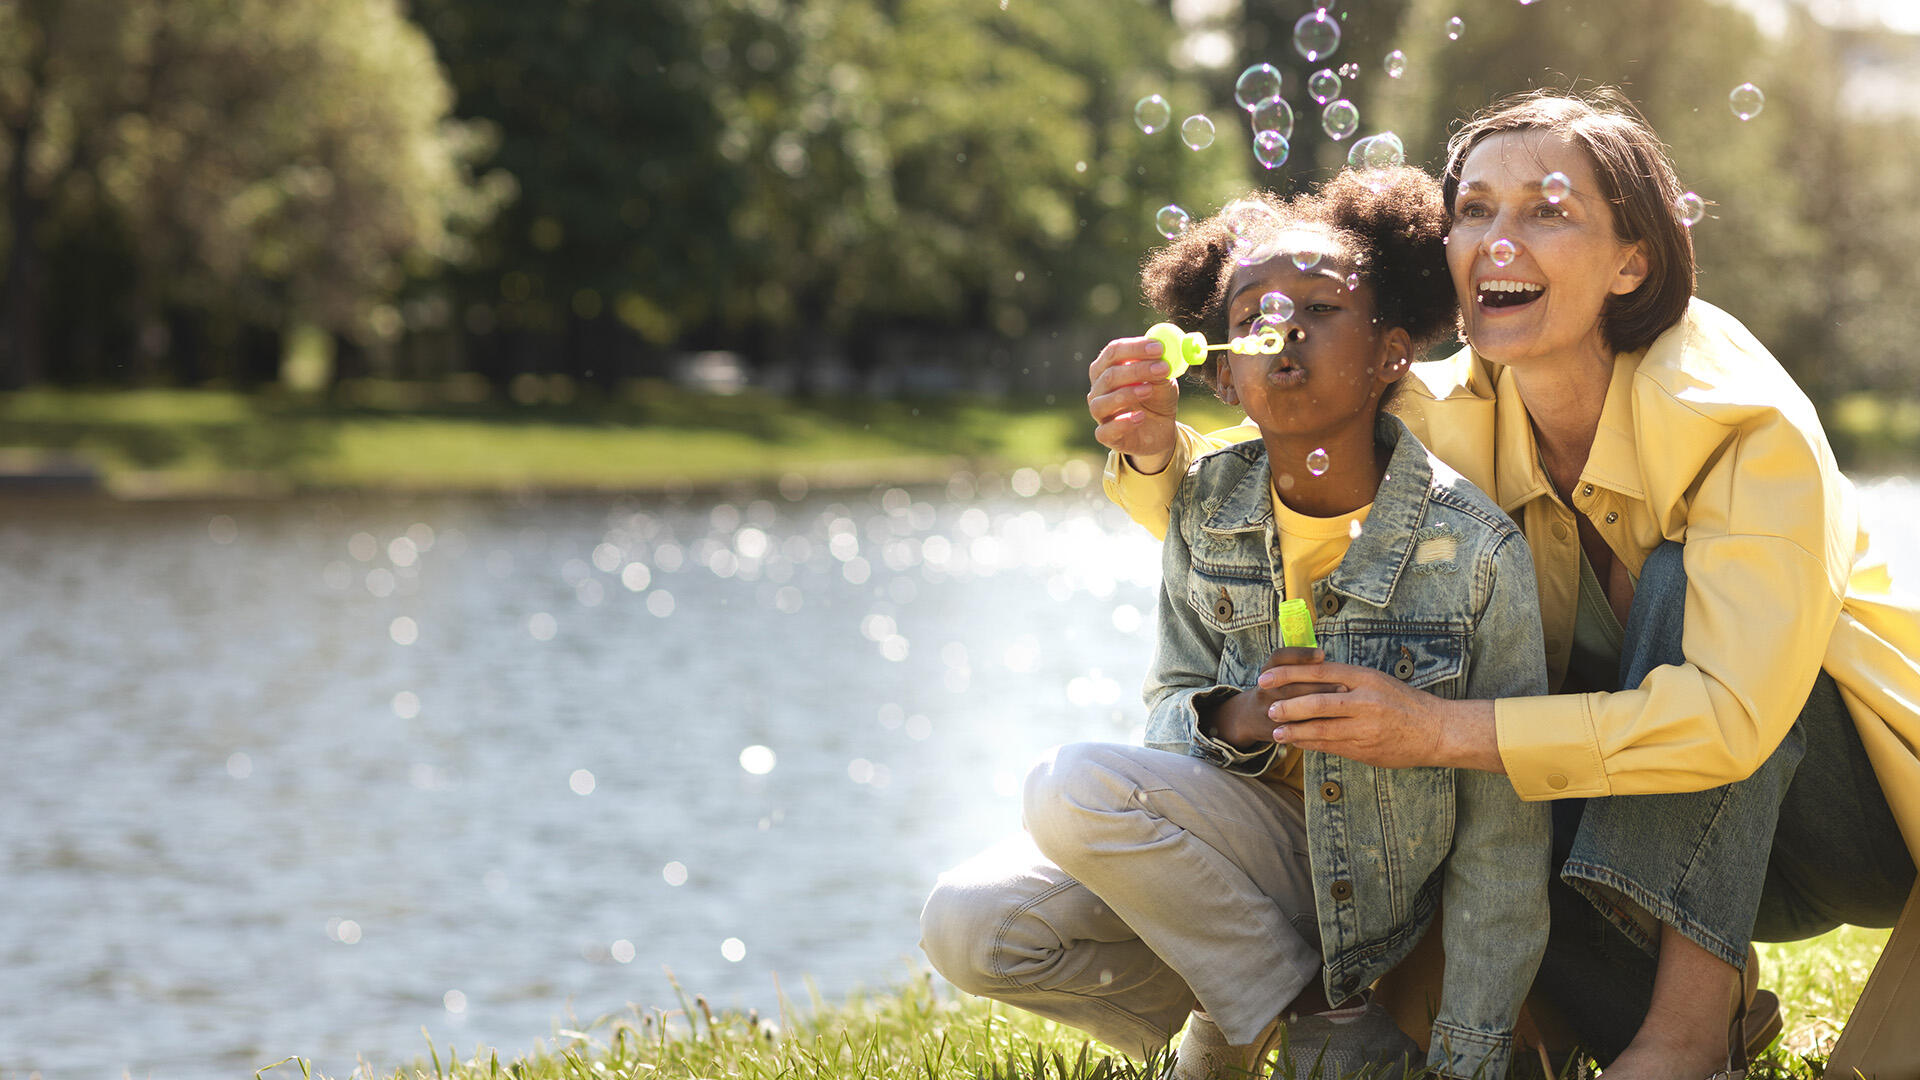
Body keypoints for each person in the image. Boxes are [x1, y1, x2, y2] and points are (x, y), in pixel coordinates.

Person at [1092, 88, 1920, 1080]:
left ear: (1634, 260)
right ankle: (1664, 1017)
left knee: (1676, 582)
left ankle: (1686, 1036)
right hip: (1667, 847)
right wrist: (1149, 450)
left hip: (1857, 824)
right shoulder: (1446, 415)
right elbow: (1268, 495)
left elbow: (1731, 720)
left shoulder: (1743, 427)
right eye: (1474, 209)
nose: (1494, 239)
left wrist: (1435, 730)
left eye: (1547, 209)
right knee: (1466, 735)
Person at [922, 166, 1556, 1080]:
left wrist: (1471, 1059)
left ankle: (1239, 1031)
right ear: (1221, 367)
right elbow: (1167, 714)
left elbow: (1504, 834)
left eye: (1322, 306)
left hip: (1378, 884)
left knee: (1071, 784)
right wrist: (1233, 719)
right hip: (1233, 872)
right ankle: (1308, 1019)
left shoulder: (1475, 553)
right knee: (969, 921)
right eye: (1254, 311)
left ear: (1392, 353)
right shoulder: (1206, 510)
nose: (1284, 329)